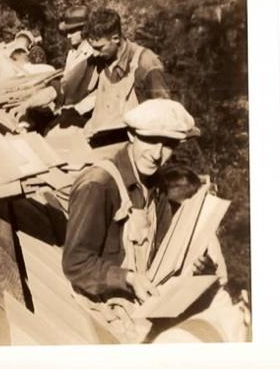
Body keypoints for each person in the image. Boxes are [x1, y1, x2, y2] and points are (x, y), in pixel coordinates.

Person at [62, 99, 246, 343]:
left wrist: (194, 263)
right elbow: (75, 264)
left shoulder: (154, 185)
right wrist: (128, 278)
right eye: (149, 140)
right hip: (106, 301)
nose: (157, 154)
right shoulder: (98, 185)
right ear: (131, 134)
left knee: (222, 310)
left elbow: (164, 251)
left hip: (147, 295)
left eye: (168, 144)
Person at [12, 8, 170, 141]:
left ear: (116, 38)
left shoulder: (146, 63)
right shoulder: (98, 59)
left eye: (99, 48)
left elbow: (166, 115)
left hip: (132, 142)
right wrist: (27, 104)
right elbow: (61, 88)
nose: (94, 53)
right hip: (100, 137)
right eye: (92, 47)